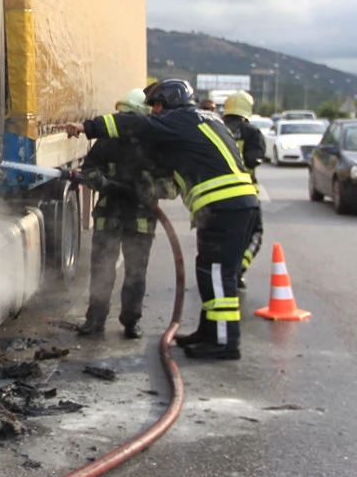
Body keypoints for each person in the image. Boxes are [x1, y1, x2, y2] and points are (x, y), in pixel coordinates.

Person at [62, 79, 259, 361]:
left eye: (156, 105)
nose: (154, 112)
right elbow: (169, 169)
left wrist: (88, 127)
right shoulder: (200, 120)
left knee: (217, 275)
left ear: (170, 102)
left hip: (225, 206)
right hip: (229, 207)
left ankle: (224, 342)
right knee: (209, 272)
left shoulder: (180, 120)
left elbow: (142, 128)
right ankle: (209, 333)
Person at [76, 88, 172, 340]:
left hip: (140, 219)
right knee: (101, 269)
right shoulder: (107, 141)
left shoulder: (156, 146)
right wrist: (100, 180)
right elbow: (90, 169)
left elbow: (171, 183)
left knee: (136, 272)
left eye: (129, 116)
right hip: (109, 214)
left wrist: (150, 190)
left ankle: (131, 321)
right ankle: (95, 319)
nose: (124, 122)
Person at [222, 92, 266, 288]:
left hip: (213, 193)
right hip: (244, 193)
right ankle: (239, 269)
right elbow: (253, 160)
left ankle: (221, 270)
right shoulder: (252, 133)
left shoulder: (216, 129)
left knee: (219, 235)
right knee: (254, 234)